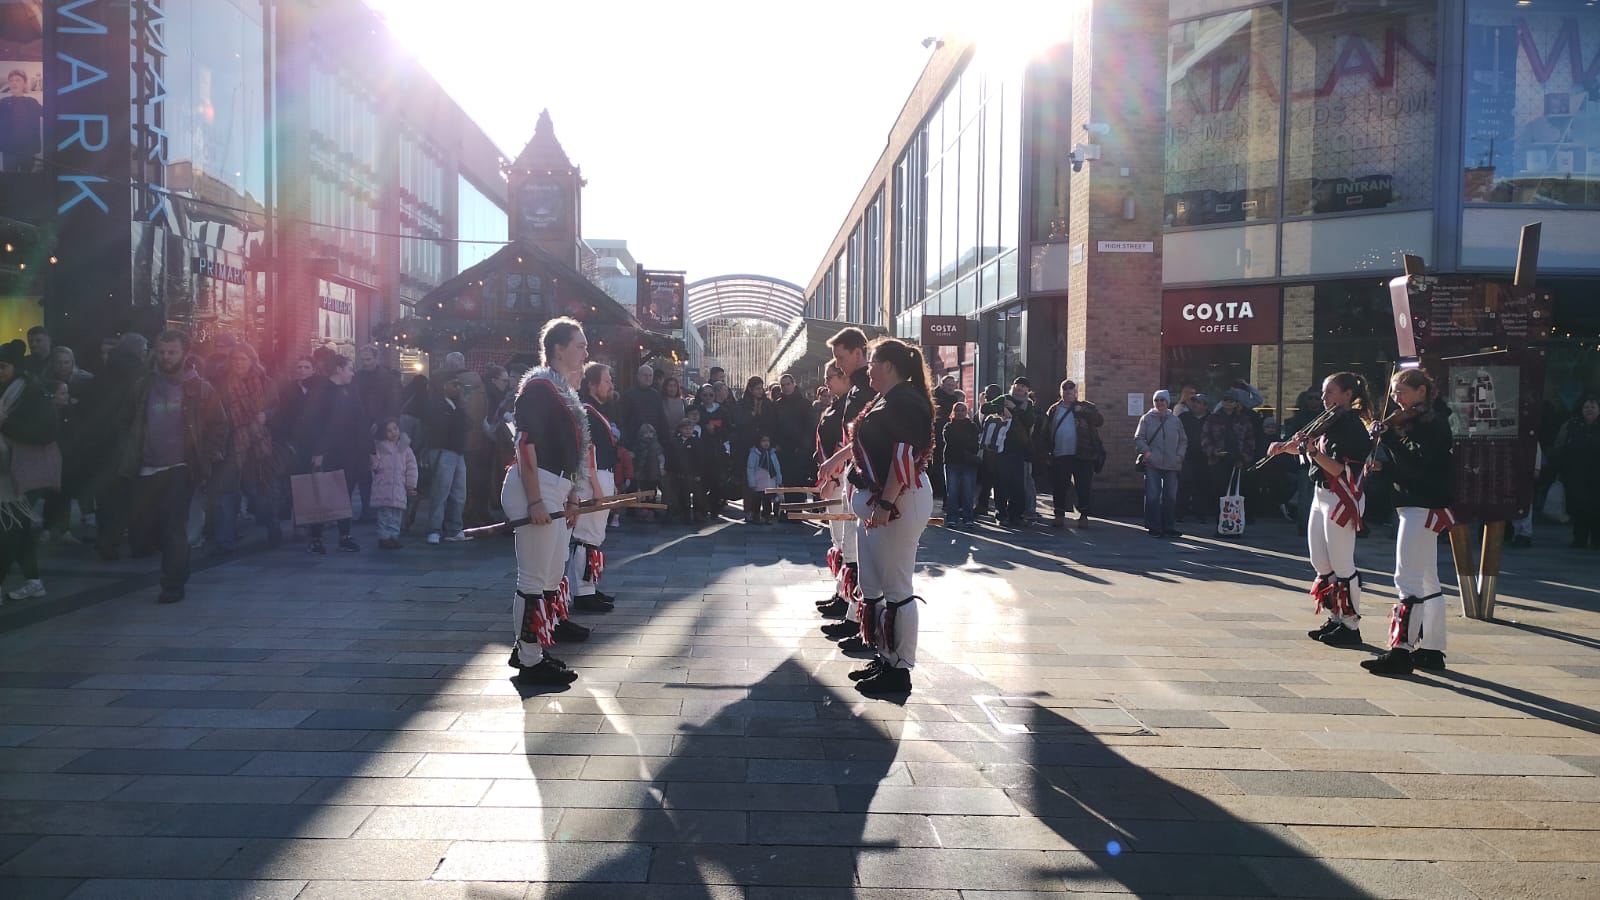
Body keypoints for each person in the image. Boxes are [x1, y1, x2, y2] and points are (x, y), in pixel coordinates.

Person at [824, 338, 935, 696]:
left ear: (888, 366)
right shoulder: (888, 398)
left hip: (899, 500)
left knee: (897, 588)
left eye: (872, 363)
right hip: (881, 500)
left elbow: (904, 455)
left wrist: (886, 505)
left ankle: (899, 669)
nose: (867, 369)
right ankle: (886, 657)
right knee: (880, 586)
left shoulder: (905, 400)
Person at [504, 317, 592, 685]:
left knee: (552, 573)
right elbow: (525, 444)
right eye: (580, 346)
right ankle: (529, 661)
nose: (586, 352)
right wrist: (536, 500)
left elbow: (567, 452)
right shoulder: (540, 388)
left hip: (554, 486)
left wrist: (571, 492)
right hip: (536, 486)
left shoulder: (559, 390)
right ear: (558, 349)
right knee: (534, 577)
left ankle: (534, 647)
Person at [1263, 372, 1375, 646]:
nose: (1324, 398)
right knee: (1321, 561)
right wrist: (1284, 448)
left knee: (1342, 562)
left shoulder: (1353, 428)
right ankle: (1335, 616)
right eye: (1324, 392)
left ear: (1347, 395)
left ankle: (1351, 625)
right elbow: (1305, 447)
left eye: (1330, 392)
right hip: (1321, 493)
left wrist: (1313, 452)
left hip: (1340, 496)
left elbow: (1342, 470)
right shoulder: (1328, 420)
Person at [117, 331, 226, 604]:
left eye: (172, 352)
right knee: (145, 527)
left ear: (184, 354)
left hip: (181, 467)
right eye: (162, 351)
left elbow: (219, 425)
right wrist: (129, 450)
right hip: (146, 467)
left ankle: (172, 584)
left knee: (173, 527)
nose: (166, 357)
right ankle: (177, 563)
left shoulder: (200, 388)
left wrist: (207, 456)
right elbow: (126, 420)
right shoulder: (143, 386)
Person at [1361, 370, 1456, 675]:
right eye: (1394, 391)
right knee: (1428, 579)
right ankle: (1432, 649)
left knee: (1407, 579)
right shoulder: (1426, 421)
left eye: (1400, 391)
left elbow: (1416, 465)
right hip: (1421, 502)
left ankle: (1401, 651)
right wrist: (1386, 466)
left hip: (1421, 504)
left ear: (1421, 391)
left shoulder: (1431, 423)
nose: (1395, 398)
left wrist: (1389, 438)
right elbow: (1412, 465)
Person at [815, 327, 878, 650]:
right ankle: (855, 616)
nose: (837, 365)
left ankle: (862, 622)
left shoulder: (870, 388)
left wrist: (835, 464)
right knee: (852, 552)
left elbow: (863, 439)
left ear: (858, 352)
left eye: (841, 357)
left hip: (868, 479)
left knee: (866, 560)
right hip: (855, 476)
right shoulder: (856, 389)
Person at [0, 340, 57, 603]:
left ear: (16, 367)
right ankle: (34, 581)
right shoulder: (8, 390)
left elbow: (44, 432)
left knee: (10, 528)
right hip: (8, 470)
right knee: (18, 528)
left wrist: (6, 423)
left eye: (3, 366)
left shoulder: (32, 392)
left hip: (28, 470)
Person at [295, 355, 369, 554]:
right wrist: (318, 451)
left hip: (349, 451)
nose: (352, 373)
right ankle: (316, 538)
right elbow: (314, 423)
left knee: (345, 493)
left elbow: (360, 420)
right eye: (349, 369)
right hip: (327, 452)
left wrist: (368, 451)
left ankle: (345, 535)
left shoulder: (351, 391)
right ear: (338, 369)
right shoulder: (321, 392)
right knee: (321, 492)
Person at [212, 340, 282, 551]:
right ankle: (224, 541)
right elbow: (214, 414)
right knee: (226, 494)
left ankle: (272, 526)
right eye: (235, 359)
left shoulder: (265, 382)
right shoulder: (221, 384)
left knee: (258, 493)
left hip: (257, 447)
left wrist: (266, 415)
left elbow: (278, 408)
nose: (238, 363)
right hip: (230, 446)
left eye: (243, 359)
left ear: (252, 361)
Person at [565, 362, 622, 615]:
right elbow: (588, 453)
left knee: (595, 536)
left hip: (602, 475)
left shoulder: (597, 411)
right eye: (606, 380)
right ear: (591, 385)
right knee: (587, 536)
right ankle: (582, 592)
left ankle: (588, 586)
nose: (611, 385)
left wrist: (611, 483)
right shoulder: (586, 411)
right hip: (592, 478)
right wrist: (598, 488)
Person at [814, 363, 854, 619]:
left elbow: (845, 444)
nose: (826, 382)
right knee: (837, 540)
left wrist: (833, 478)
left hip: (840, 480)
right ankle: (841, 592)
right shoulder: (837, 404)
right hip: (832, 477)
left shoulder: (849, 405)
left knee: (845, 543)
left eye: (829, 377)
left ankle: (847, 598)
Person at [1040, 379, 1105, 529]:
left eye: (1071, 389)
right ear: (1060, 392)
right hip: (1060, 454)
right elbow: (1046, 431)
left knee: (1083, 486)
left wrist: (1082, 411)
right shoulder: (1054, 409)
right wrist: (1046, 451)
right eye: (1065, 389)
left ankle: (1084, 516)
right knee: (1059, 486)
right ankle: (1059, 515)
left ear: (1076, 392)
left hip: (1083, 455)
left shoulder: (1086, 407)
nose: (1068, 392)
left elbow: (1099, 421)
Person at [423, 373, 472, 545]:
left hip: (456, 451)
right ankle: (435, 529)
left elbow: (466, 424)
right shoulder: (435, 404)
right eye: (454, 384)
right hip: (443, 449)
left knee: (459, 493)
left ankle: (454, 528)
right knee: (441, 492)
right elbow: (449, 425)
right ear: (444, 385)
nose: (458, 388)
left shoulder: (455, 404)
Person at [1202, 390, 1259, 534]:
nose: (1228, 403)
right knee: (1219, 494)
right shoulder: (1213, 418)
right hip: (1218, 461)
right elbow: (1205, 437)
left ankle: (1235, 527)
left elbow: (1250, 440)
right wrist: (1213, 451)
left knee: (1236, 496)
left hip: (1237, 461)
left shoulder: (1243, 419)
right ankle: (1220, 525)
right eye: (1225, 400)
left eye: (1231, 400)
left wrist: (1244, 458)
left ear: (1236, 403)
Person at [1134, 389, 1187, 538]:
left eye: (1162, 400)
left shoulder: (1175, 420)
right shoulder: (1146, 419)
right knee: (1153, 496)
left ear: (1167, 402)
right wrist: (1147, 453)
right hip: (1153, 463)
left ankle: (1169, 526)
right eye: (1156, 400)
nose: (1159, 403)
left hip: (1172, 463)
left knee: (1170, 496)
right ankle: (1153, 526)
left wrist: (1179, 456)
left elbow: (1183, 440)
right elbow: (1139, 438)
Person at [1553, 395, 1600, 549]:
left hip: (1597, 475)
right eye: (1587, 407)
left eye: (1593, 407)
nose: (1589, 410)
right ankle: (1579, 538)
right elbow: (1559, 446)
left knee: (1597, 508)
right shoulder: (1571, 425)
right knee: (1579, 507)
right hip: (1576, 473)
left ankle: (1597, 539)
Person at [370, 417, 418, 549]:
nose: (393, 432)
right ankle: (384, 537)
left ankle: (393, 536)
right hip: (383, 486)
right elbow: (374, 465)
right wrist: (374, 462)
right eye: (389, 430)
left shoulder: (405, 449)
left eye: (395, 429)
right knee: (384, 514)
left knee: (397, 513)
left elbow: (412, 468)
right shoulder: (379, 447)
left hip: (399, 487)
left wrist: (411, 485)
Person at [774, 373, 815, 515]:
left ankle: (796, 512)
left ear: (794, 384)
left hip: (800, 449)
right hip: (783, 448)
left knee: (798, 480)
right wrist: (777, 444)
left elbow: (809, 427)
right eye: (783, 385)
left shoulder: (804, 404)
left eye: (788, 384)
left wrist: (804, 447)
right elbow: (774, 426)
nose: (786, 387)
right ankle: (788, 511)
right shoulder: (777, 405)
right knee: (786, 480)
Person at [942, 400, 980, 527]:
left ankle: (968, 518)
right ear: (953, 412)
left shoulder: (973, 426)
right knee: (952, 492)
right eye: (957, 410)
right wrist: (965, 442)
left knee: (968, 492)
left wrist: (965, 444)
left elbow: (975, 444)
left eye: (963, 410)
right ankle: (952, 518)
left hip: (968, 463)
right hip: (952, 462)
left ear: (967, 412)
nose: (960, 413)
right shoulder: (948, 426)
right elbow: (951, 440)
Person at [1177, 392, 1211, 522]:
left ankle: (1201, 514)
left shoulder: (1212, 419)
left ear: (1205, 406)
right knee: (1184, 484)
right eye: (1194, 402)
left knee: (1202, 486)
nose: (1195, 404)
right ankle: (1179, 513)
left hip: (1205, 457)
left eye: (1198, 402)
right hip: (1186, 456)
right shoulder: (1183, 417)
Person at [620, 364, 666, 452]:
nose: (648, 378)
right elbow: (623, 420)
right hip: (633, 442)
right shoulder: (628, 395)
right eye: (645, 375)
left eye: (650, 375)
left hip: (653, 443)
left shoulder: (656, 396)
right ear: (638, 376)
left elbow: (661, 419)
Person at [664, 418, 702, 524]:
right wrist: (667, 469)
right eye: (686, 429)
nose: (688, 431)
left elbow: (699, 459)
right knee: (675, 494)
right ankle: (676, 513)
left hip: (690, 473)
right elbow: (669, 456)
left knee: (687, 495)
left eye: (690, 429)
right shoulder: (674, 441)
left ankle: (687, 516)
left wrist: (698, 473)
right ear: (680, 429)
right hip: (675, 472)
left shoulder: (695, 442)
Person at [931, 375, 960, 500]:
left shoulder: (953, 398)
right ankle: (938, 488)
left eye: (953, 385)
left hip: (948, 434)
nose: (951, 388)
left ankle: (943, 489)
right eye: (948, 385)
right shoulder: (935, 397)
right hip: (936, 433)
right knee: (937, 461)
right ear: (942, 385)